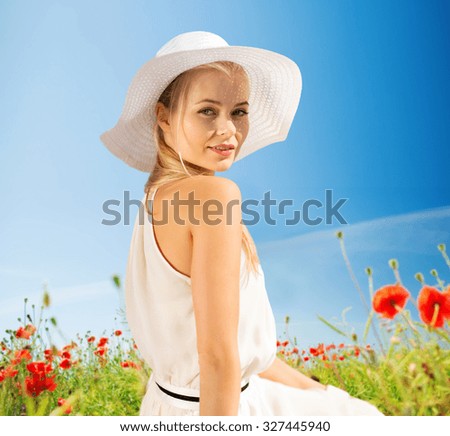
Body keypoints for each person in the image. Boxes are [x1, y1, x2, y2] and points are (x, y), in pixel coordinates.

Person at [100, 31, 384, 416]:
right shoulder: (212, 196)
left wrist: (324, 392)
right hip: (218, 411)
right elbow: (217, 358)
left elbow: (239, 350)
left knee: (351, 411)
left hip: (172, 404)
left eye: (238, 111)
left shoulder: (155, 200)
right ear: (163, 117)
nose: (228, 130)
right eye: (207, 111)